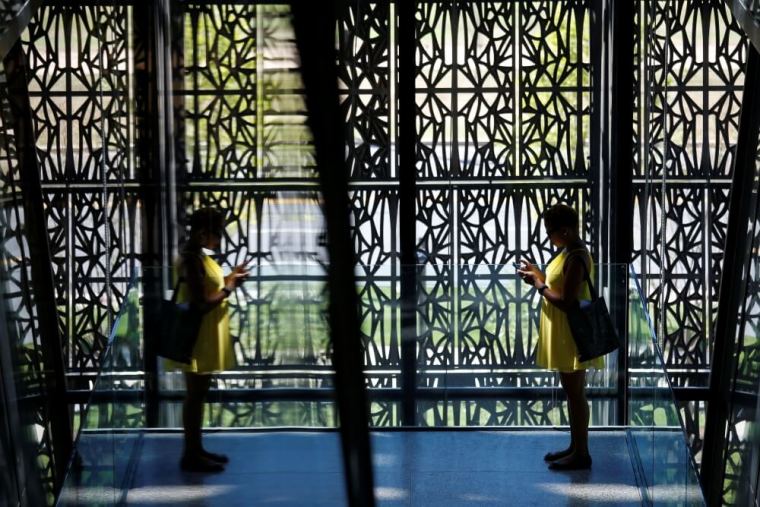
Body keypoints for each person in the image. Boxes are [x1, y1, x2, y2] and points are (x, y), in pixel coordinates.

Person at [517, 203, 603, 470]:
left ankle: (581, 453)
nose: (548, 236)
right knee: (573, 392)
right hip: (566, 332)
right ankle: (576, 446)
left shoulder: (576, 257)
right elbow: (559, 286)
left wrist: (539, 285)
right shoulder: (569, 252)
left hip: (571, 333)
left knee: (575, 393)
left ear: (564, 231)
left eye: (550, 231)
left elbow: (567, 301)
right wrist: (538, 275)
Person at [169, 208, 248, 472]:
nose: (220, 239)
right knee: (194, 396)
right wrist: (229, 288)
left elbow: (206, 289)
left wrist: (230, 277)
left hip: (203, 334)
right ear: (204, 233)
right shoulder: (192, 260)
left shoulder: (197, 256)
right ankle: (190, 455)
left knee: (198, 394)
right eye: (218, 233)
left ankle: (195, 449)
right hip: (197, 336)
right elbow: (201, 302)